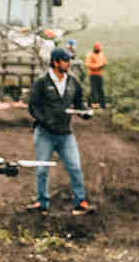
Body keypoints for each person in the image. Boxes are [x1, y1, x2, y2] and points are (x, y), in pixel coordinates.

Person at [25, 46, 93, 215]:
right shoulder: (42, 82)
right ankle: (42, 203)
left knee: (75, 167)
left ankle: (80, 202)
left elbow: (80, 102)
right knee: (42, 169)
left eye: (69, 60)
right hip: (44, 134)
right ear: (55, 62)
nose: (69, 63)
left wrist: (84, 112)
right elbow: (33, 106)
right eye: (66, 60)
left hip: (65, 134)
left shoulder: (73, 81)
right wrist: (45, 119)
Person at [85, 42, 107, 109]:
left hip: (99, 74)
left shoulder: (101, 55)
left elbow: (104, 62)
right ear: (94, 49)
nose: (99, 50)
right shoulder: (90, 55)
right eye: (98, 49)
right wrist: (97, 66)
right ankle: (93, 104)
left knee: (100, 90)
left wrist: (102, 65)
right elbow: (88, 65)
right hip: (92, 75)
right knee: (93, 89)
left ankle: (102, 104)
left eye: (99, 49)